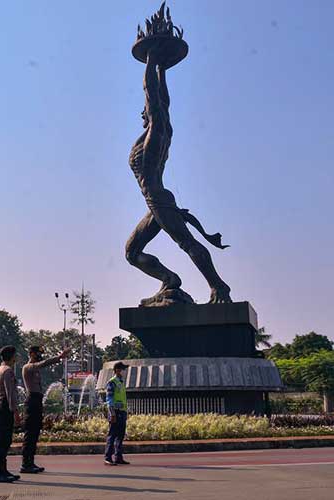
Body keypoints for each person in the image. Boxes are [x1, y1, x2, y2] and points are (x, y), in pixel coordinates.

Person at [125, 42, 232, 306]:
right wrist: (162, 69)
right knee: (132, 252)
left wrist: (151, 60)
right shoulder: (154, 133)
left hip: (157, 198)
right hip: (155, 201)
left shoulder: (156, 134)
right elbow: (162, 100)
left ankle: (219, 287)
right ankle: (170, 280)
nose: (144, 110)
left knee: (186, 243)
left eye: (147, 110)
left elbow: (154, 98)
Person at [20, 345, 71, 473]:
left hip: (37, 401)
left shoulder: (35, 369)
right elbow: (43, 363)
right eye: (37, 353)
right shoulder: (28, 367)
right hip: (31, 401)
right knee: (30, 434)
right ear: (31, 354)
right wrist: (59, 357)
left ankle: (30, 462)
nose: (39, 356)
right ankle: (25, 464)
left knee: (35, 433)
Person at [0, 345, 21, 483]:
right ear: (11, 356)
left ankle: (3, 470)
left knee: (3, 440)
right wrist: (15, 412)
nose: (17, 357)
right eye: (16, 355)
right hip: (5, 407)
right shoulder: (8, 371)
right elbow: (10, 394)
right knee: (4, 440)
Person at [104, 361, 130, 466]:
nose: (124, 371)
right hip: (115, 412)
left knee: (120, 435)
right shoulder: (112, 382)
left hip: (122, 412)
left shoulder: (121, 382)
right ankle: (108, 458)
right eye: (122, 369)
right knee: (112, 435)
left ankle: (118, 457)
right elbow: (109, 399)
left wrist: (125, 411)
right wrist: (112, 413)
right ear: (117, 370)